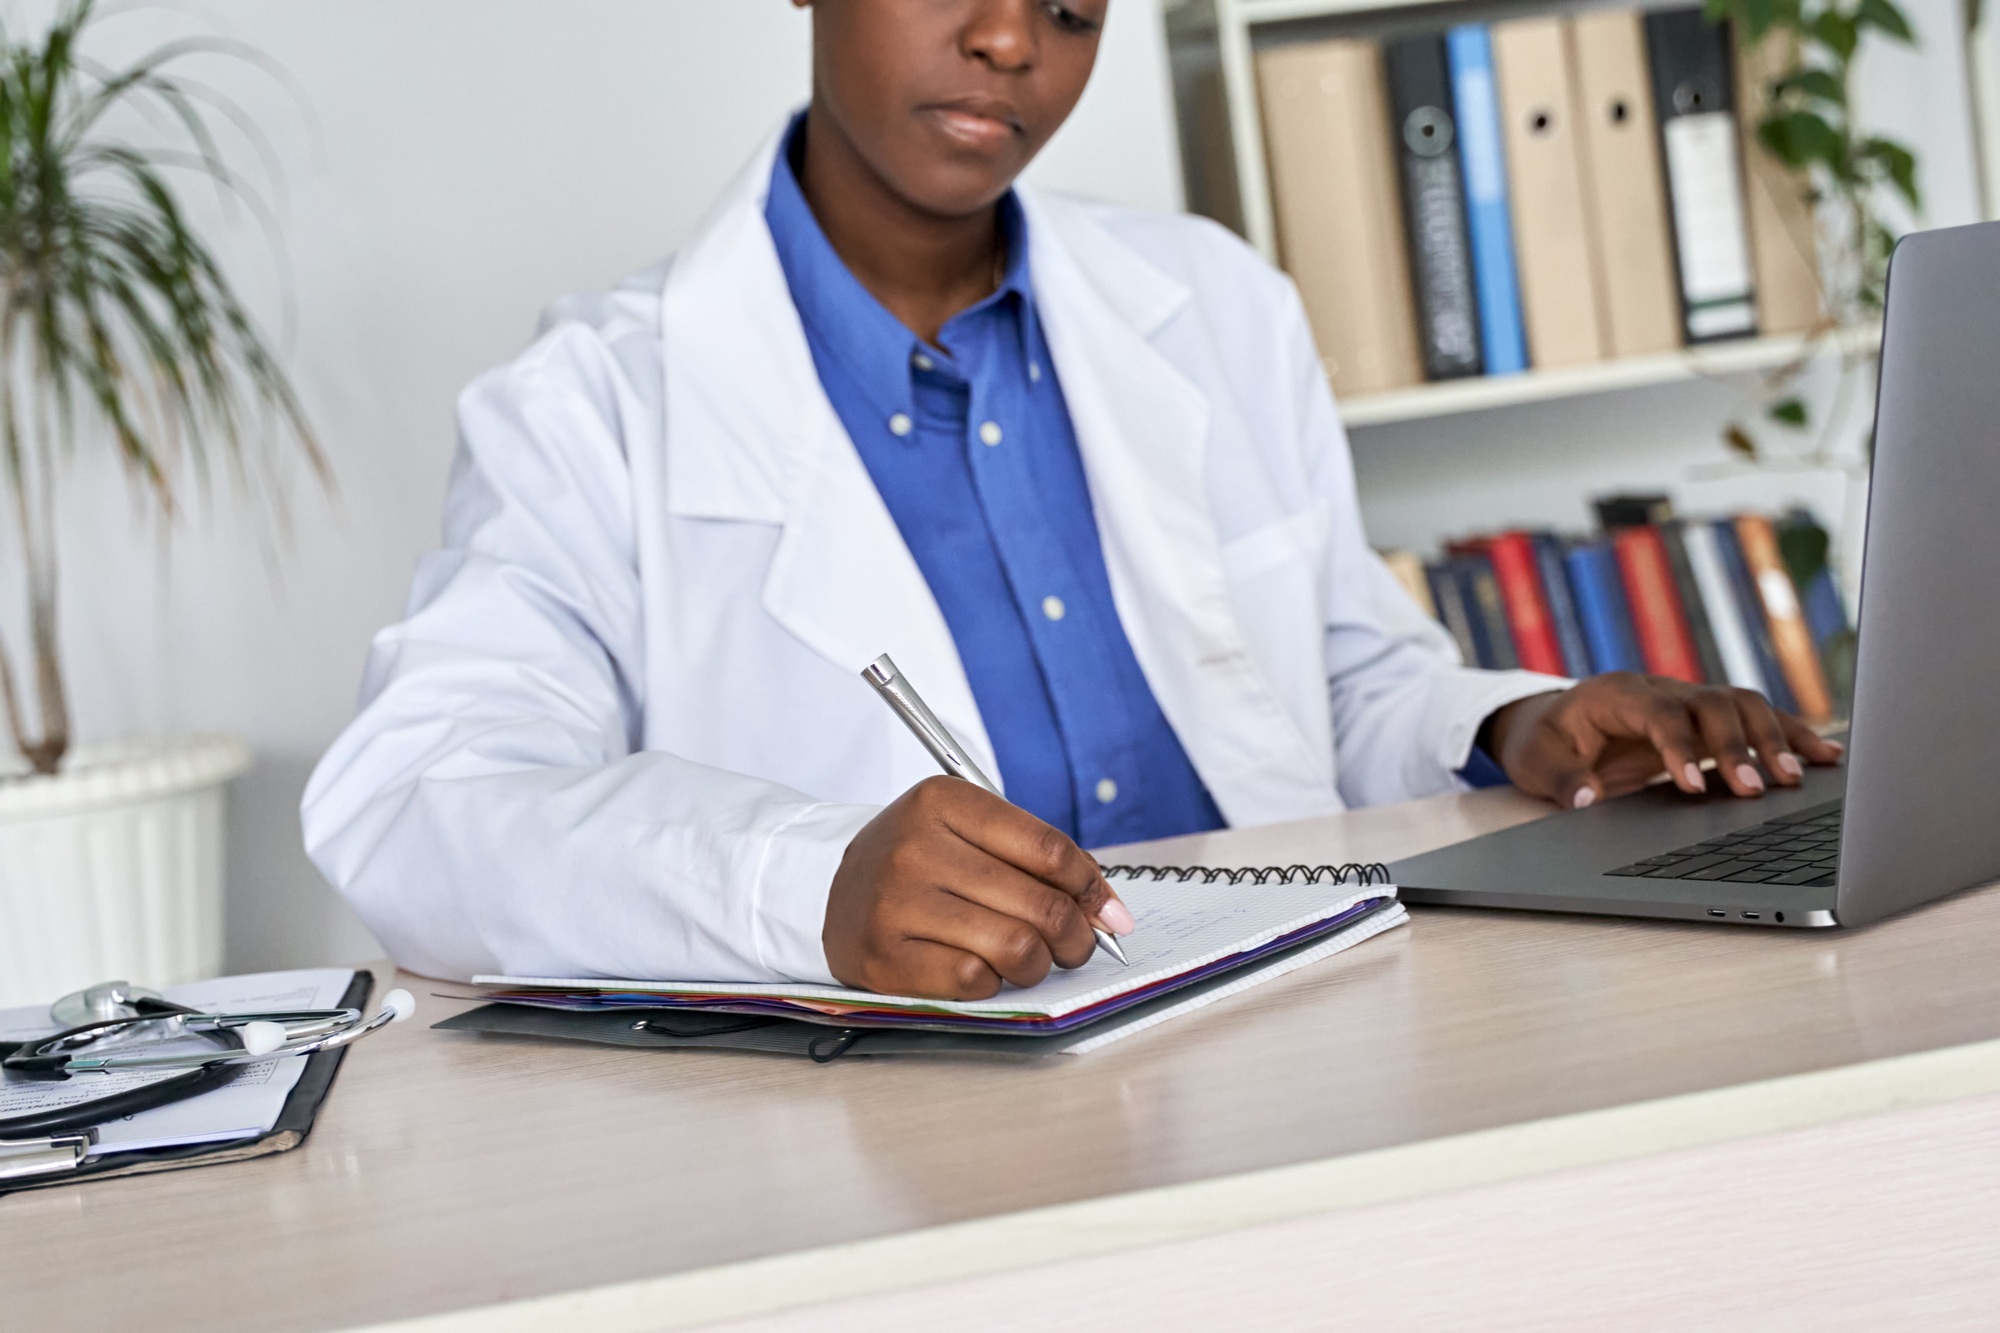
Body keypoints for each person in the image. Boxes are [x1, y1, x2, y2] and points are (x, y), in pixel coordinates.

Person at [302, 0, 1841, 1001]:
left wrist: (1519, 725)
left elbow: (1340, 678)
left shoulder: (1212, 302)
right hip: (919, 1115)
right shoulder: (594, 403)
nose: (1007, 44)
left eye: (1070, 9)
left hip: (1304, 1016)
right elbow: (419, 797)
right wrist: (806, 883)